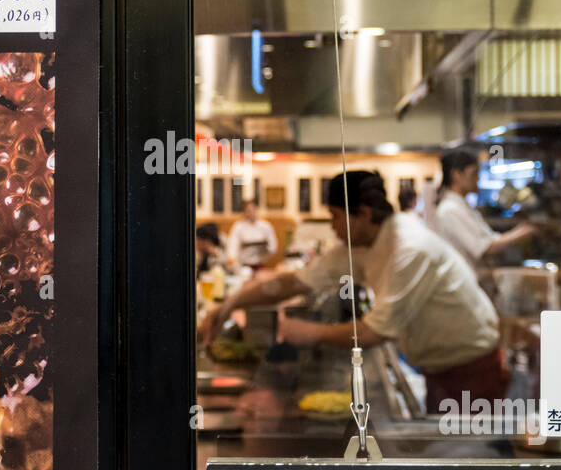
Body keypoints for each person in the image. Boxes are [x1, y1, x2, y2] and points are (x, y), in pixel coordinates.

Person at [200, 171, 508, 404]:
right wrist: (230, 304)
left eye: (335, 216)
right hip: (439, 368)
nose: (332, 227)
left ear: (363, 214)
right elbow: (295, 282)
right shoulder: (363, 243)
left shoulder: (409, 248)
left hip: (473, 371)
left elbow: (376, 332)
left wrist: (303, 331)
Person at [436, 149, 537, 267]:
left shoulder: (461, 206)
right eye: (474, 173)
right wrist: (520, 234)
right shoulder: (450, 210)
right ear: (456, 175)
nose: (478, 178)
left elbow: (489, 238)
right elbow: (483, 248)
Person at [226, 197, 278, 270]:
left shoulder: (265, 226)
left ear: (257, 209)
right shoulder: (238, 227)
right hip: (243, 266)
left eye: (253, 209)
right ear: (244, 212)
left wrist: (266, 250)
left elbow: (273, 247)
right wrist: (231, 258)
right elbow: (233, 245)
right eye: (248, 211)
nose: (251, 213)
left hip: (260, 264)